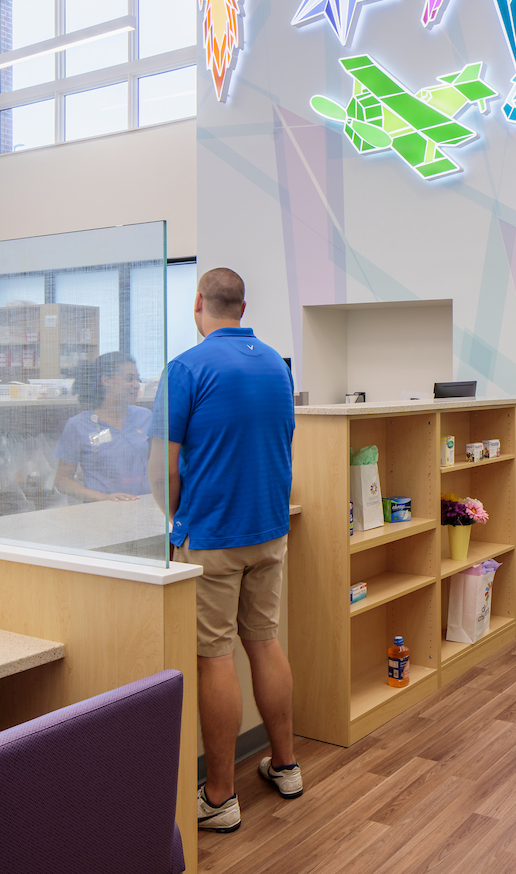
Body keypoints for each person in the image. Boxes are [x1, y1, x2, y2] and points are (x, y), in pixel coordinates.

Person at [148, 267, 300, 835]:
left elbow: (163, 470)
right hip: (269, 531)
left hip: (212, 536)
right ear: (243, 307)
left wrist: (177, 520)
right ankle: (285, 766)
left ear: (198, 304)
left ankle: (219, 796)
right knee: (263, 641)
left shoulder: (186, 368)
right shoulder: (277, 365)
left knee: (214, 656)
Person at [54, 353, 150, 503]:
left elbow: (162, 466)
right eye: (129, 379)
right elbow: (62, 481)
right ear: (106, 380)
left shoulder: (145, 418)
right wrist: (104, 498)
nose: (136, 385)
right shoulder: (78, 426)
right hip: (103, 509)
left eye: (137, 379)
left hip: (144, 505)